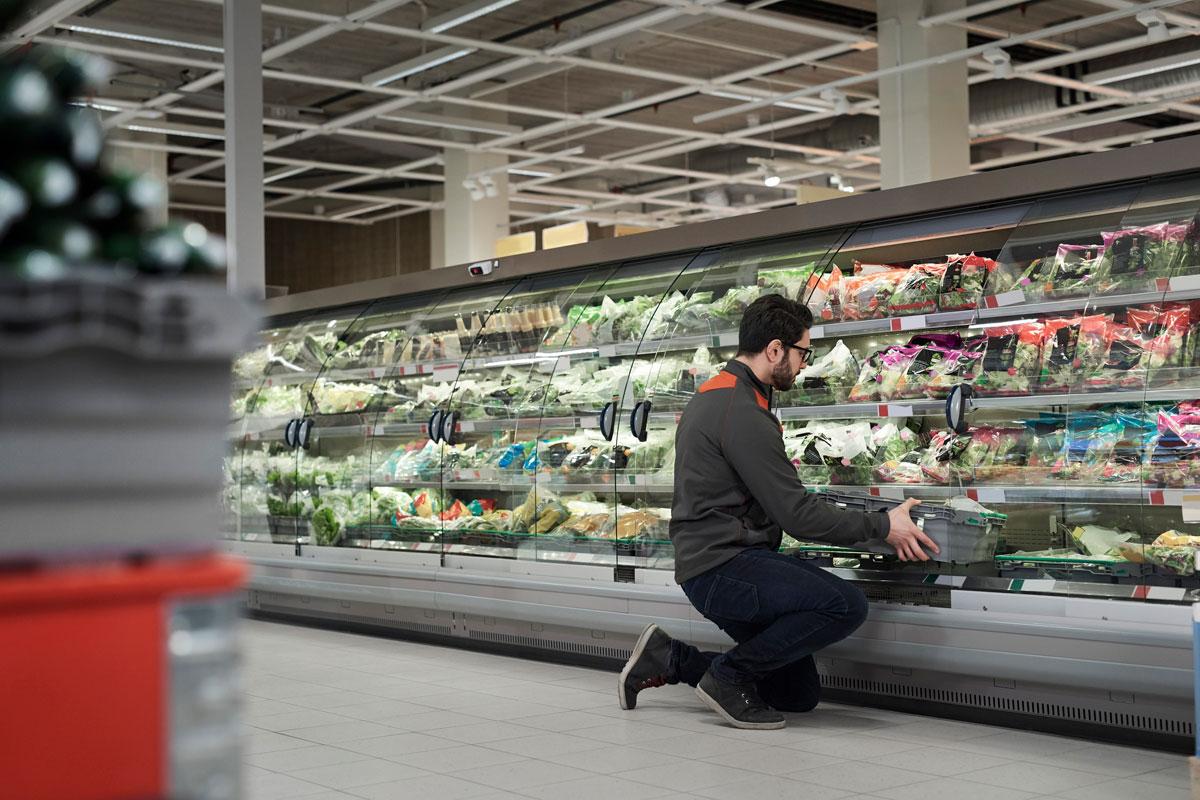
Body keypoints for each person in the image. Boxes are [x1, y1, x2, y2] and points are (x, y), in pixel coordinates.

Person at [617, 293, 938, 730]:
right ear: (774, 350)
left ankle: (672, 658)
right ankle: (727, 677)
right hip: (722, 566)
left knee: (795, 693)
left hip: (712, 560)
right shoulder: (742, 410)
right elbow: (798, 517)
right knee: (845, 605)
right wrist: (883, 525)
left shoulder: (722, 391)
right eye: (804, 352)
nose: (806, 363)